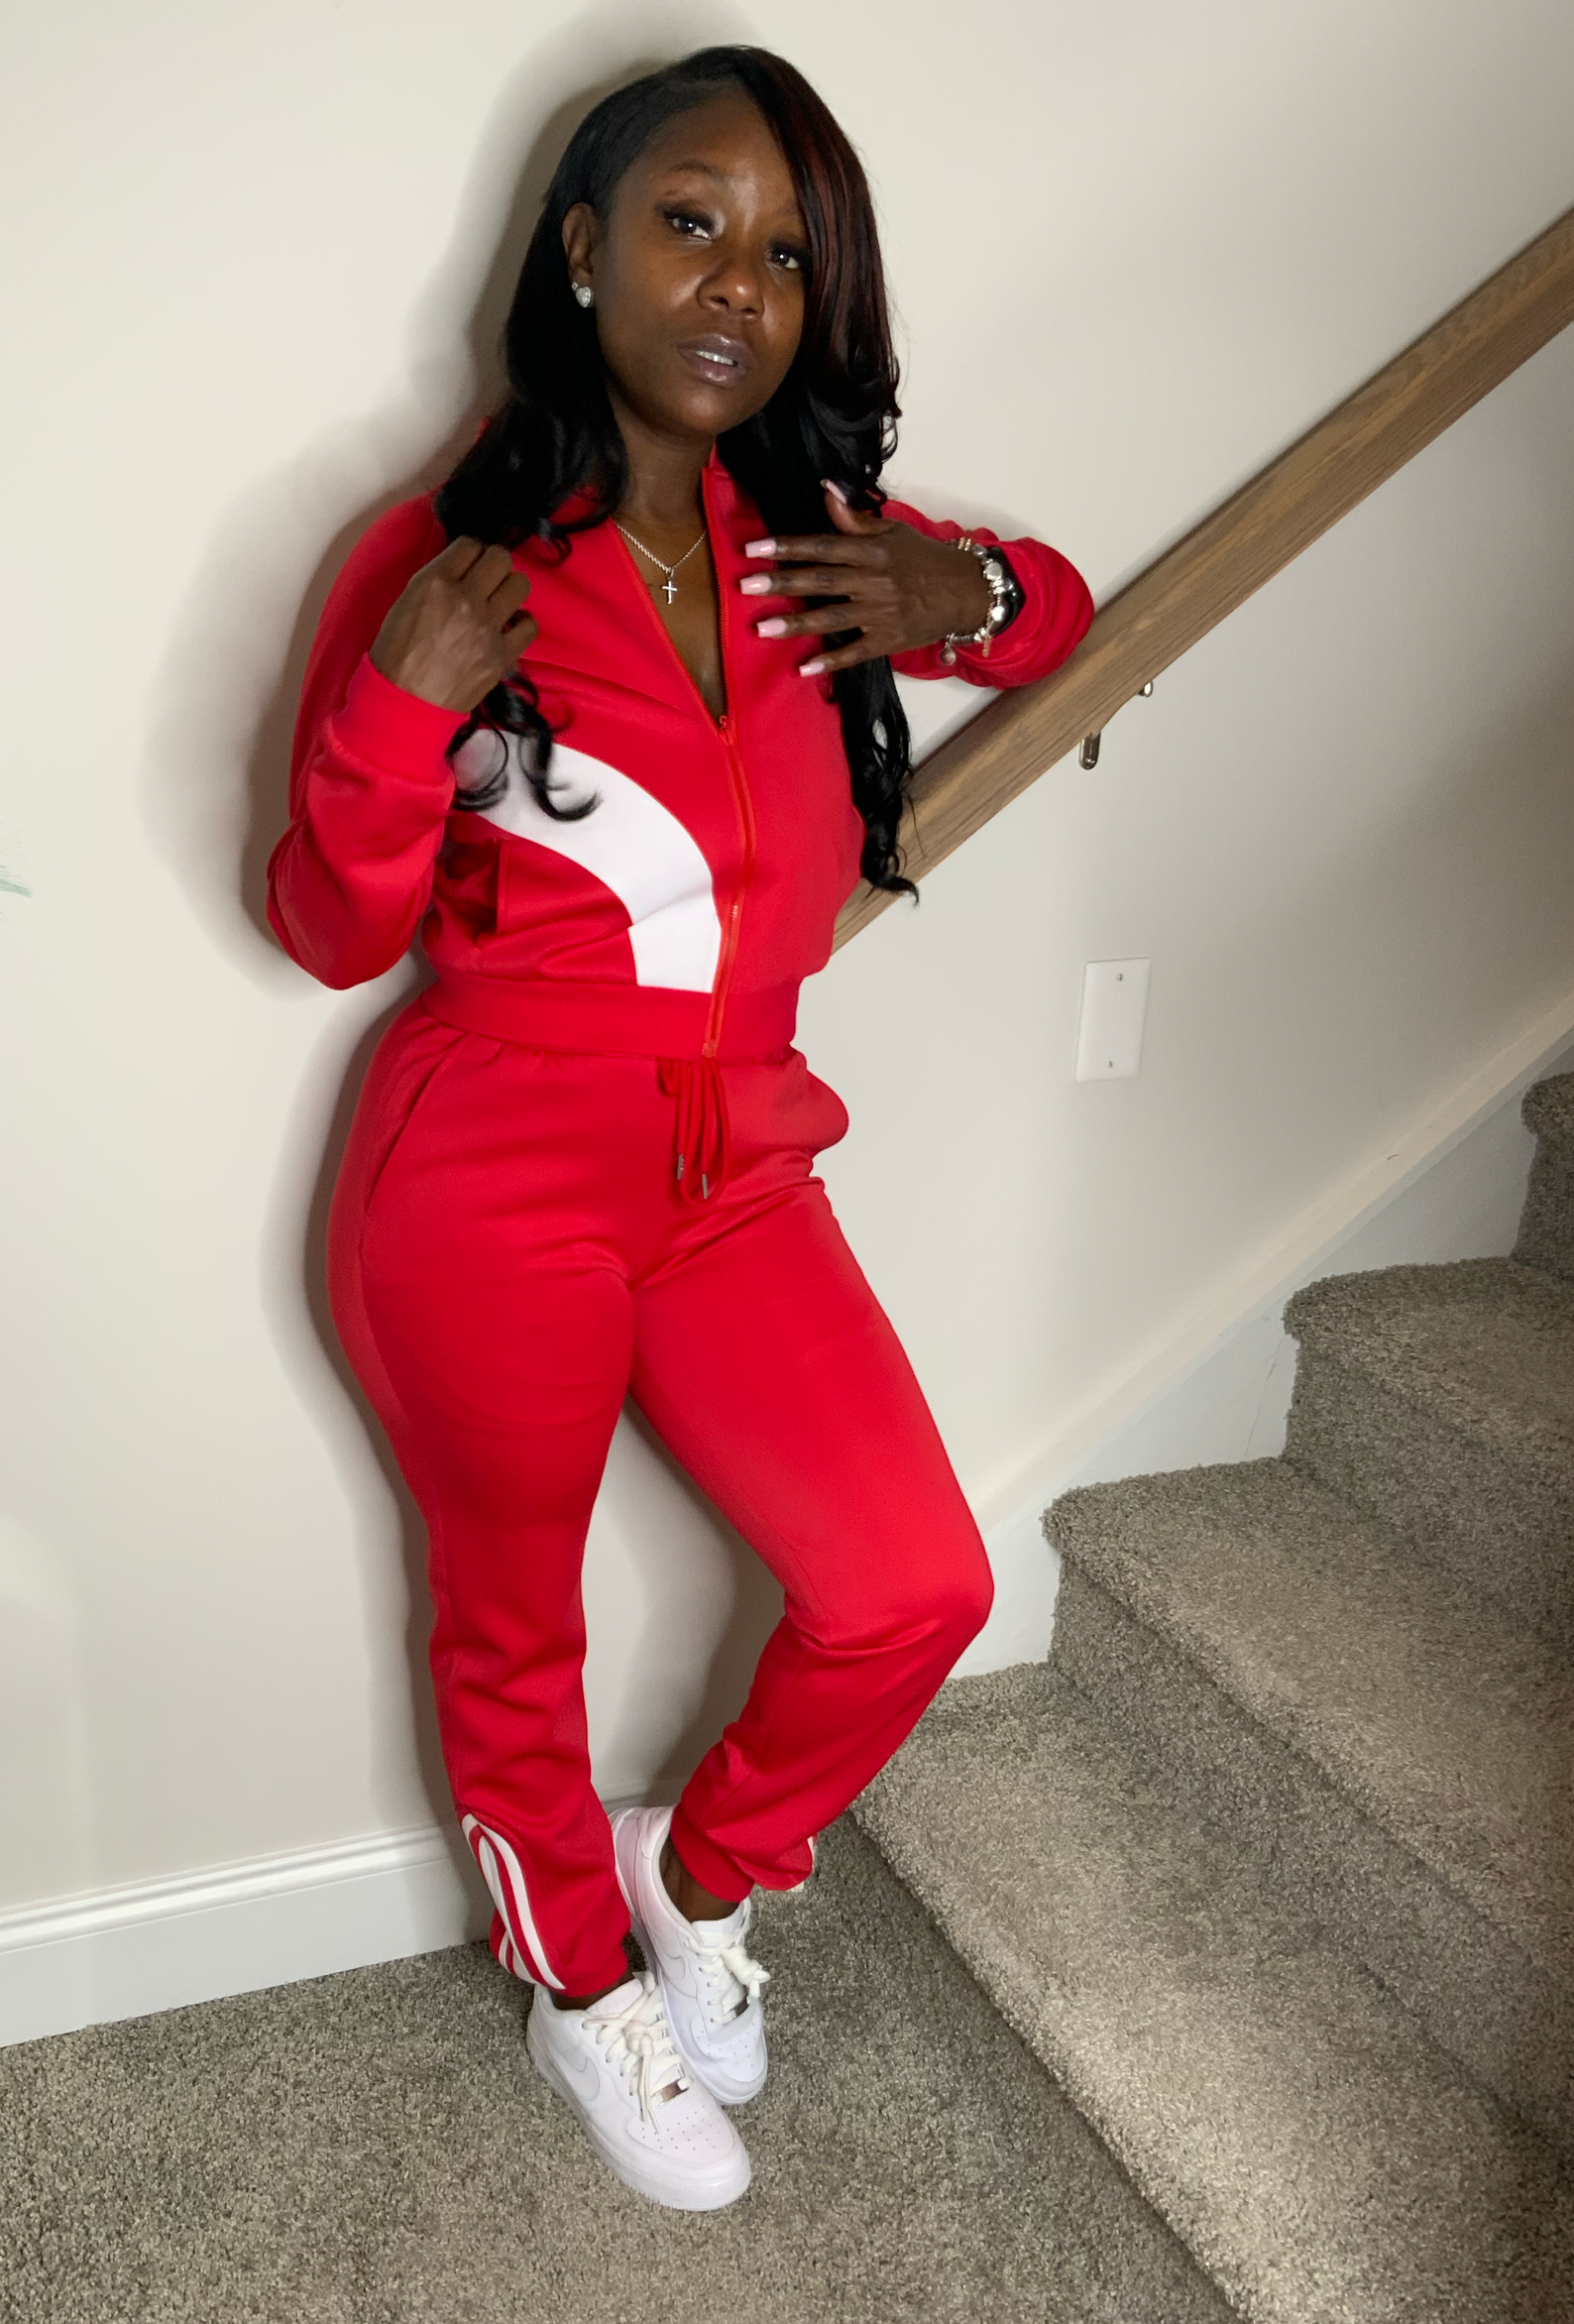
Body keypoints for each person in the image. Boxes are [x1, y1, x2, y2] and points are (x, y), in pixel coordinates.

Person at [267, 45, 1092, 2214]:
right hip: (485, 1177)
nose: (738, 284)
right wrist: (396, 707)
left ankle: (696, 1875)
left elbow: (1065, 615)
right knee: (511, 1627)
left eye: (787, 254)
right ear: (581, 247)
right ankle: (576, 1985)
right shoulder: (443, 556)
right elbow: (325, 928)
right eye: (689, 221)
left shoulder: (816, 547)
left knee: (911, 1583)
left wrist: (970, 599)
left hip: (738, 1171)